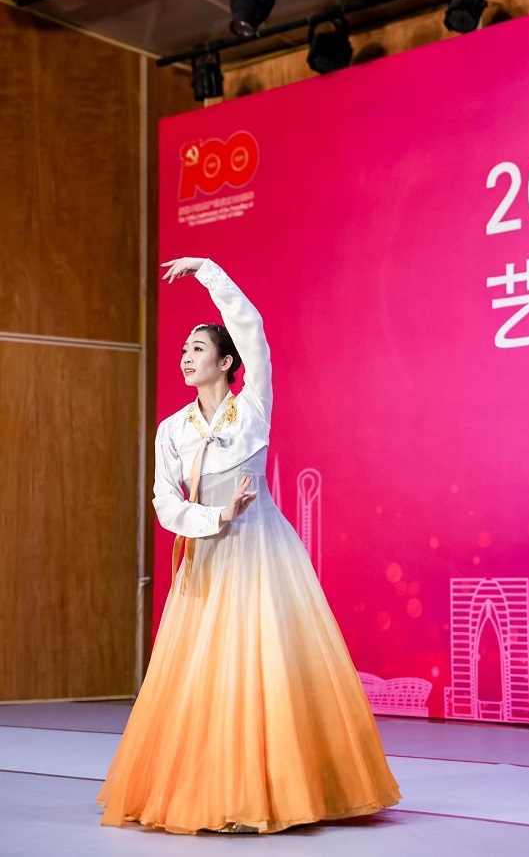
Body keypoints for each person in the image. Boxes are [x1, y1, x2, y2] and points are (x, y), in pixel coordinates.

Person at [97, 257, 401, 834]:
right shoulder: (172, 429)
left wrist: (207, 271)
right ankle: (207, 790)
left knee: (263, 667)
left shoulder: (253, 406)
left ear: (227, 362)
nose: (186, 356)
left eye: (198, 348)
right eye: (183, 350)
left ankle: (276, 790)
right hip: (209, 554)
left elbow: (252, 326)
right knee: (204, 674)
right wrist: (216, 514)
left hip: (260, 553)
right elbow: (164, 502)